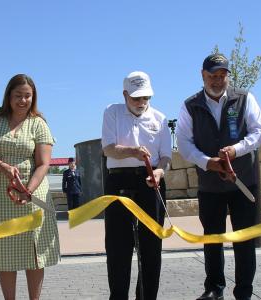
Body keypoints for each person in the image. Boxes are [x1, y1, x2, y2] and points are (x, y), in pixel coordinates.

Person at [177, 53, 261, 300]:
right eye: (212, 76)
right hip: (210, 185)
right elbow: (184, 143)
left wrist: (236, 150)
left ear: (228, 76)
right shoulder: (190, 105)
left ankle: (244, 291)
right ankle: (214, 288)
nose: (218, 80)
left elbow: (259, 131)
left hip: (243, 181)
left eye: (222, 75)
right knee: (212, 239)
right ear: (202, 75)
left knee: (245, 239)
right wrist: (208, 162)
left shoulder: (245, 98)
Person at [0, 74, 59, 300]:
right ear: (8, 96)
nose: (23, 100)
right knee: (4, 250)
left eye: (27, 96)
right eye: (18, 95)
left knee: (34, 252)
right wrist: (2, 167)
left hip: (31, 193)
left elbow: (43, 164)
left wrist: (28, 190)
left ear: (33, 97)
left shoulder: (39, 123)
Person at [101, 71, 172, 300]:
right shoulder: (112, 112)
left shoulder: (160, 118)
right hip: (118, 180)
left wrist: (159, 171)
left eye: (146, 97)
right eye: (136, 98)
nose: (141, 102)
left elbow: (166, 156)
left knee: (151, 245)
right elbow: (108, 149)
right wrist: (132, 151)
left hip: (150, 182)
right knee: (118, 246)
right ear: (125, 94)